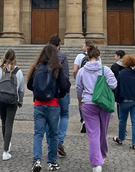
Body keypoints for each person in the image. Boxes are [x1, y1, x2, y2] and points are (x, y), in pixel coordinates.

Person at [27, 43, 70, 172]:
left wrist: (38, 92)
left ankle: (37, 160)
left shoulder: (37, 67)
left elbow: (29, 85)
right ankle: (52, 162)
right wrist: (58, 95)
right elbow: (64, 87)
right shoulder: (57, 68)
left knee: (38, 134)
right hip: (53, 105)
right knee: (53, 135)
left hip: (39, 105)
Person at [76, 43, 118, 172]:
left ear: (88, 57)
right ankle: (102, 155)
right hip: (104, 103)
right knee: (103, 131)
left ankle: (96, 163)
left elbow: (78, 88)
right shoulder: (105, 69)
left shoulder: (82, 71)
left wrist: (80, 101)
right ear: (99, 56)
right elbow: (114, 85)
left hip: (88, 103)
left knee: (93, 134)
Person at [112, 54, 135, 150]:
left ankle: (120, 138)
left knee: (122, 120)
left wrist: (117, 98)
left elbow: (118, 86)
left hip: (125, 101)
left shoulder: (123, 73)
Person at [0, 49, 24, 161]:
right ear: (15, 58)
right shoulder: (18, 72)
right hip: (12, 100)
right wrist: (20, 100)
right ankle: (5, 151)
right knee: (9, 124)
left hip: (1, 100)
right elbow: (21, 89)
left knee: (3, 122)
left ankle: (7, 145)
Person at [48, 34, 70, 157]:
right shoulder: (62, 56)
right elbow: (65, 76)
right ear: (59, 45)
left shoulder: (44, 57)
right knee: (65, 115)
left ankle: (51, 144)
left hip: (48, 92)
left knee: (50, 119)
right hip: (61, 92)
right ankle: (59, 141)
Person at [72, 40, 91, 133]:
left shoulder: (80, 56)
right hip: (92, 84)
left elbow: (75, 70)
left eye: (83, 46)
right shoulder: (96, 57)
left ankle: (83, 120)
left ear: (86, 47)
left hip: (82, 82)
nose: (82, 47)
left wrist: (77, 80)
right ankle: (91, 121)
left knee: (81, 102)